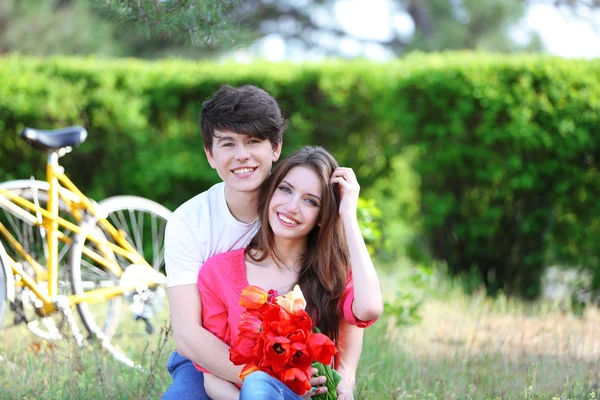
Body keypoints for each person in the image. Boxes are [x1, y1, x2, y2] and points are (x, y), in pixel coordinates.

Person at [163, 85, 365, 399]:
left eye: (253, 141)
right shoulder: (189, 221)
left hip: (287, 360)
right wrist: (260, 379)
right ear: (209, 154)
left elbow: (345, 301)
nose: (241, 155)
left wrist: (346, 379)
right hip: (209, 355)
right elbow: (189, 336)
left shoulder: (294, 205)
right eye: (227, 143)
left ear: (275, 148)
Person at [196, 146, 384, 399]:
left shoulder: (332, 274)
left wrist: (348, 216)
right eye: (285, 189)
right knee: (257, 384)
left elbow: (369, 309)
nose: (292, 206)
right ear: (270, 193)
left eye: (310, 201)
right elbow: (212, 378)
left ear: (322, 215)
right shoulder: (217, 272)